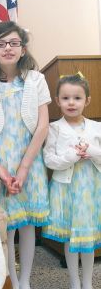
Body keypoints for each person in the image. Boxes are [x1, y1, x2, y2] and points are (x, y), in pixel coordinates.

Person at [0, 21, 51, 289]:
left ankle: (25, 280)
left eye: (13, 43)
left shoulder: (36, 80)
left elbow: (42, 126)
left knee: (27, 223)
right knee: (6, 225)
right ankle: (11, 279)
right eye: (0, 44)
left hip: (29, 161)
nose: (7, 48)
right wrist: (1, 172)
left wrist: (24, 168)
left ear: (23, 49)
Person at [42, 73, 101, 289]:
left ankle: (87, 283)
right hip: (65, 190)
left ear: (87, 100)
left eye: (77, 98)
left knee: (87, 238)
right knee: (70, 237)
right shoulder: (53, 128)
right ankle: (74, 282)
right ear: (57, 101)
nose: (71, 103)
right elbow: (49, 159)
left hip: (89, 190)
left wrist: (91, 152)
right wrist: (71, 157)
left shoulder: (97, 128)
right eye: (65, 98)